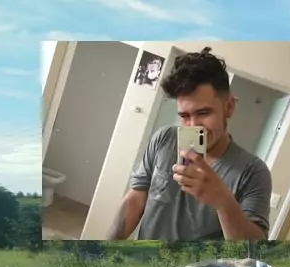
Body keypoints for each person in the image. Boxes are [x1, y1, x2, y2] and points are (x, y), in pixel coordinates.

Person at [108, 46, 273, 241]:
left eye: (203, 113)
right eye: (185, 116)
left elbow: (254, 247)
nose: (194, 127)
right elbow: (136, 199)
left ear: (228, 107)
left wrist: (223, 202)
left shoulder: (254, 172)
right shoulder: (165, 139)